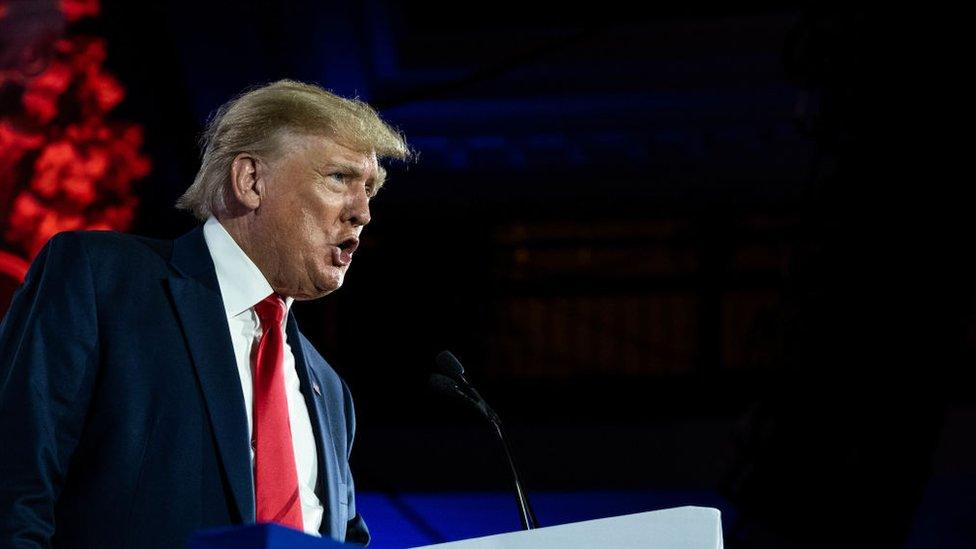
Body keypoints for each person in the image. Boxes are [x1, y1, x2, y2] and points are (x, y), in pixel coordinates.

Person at [0, 79, 410, 548]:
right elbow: (14, 488)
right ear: (251, 181)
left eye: (371, 189)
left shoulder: (331, 392)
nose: (363, 213)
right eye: (339, 178)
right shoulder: (102, 281)